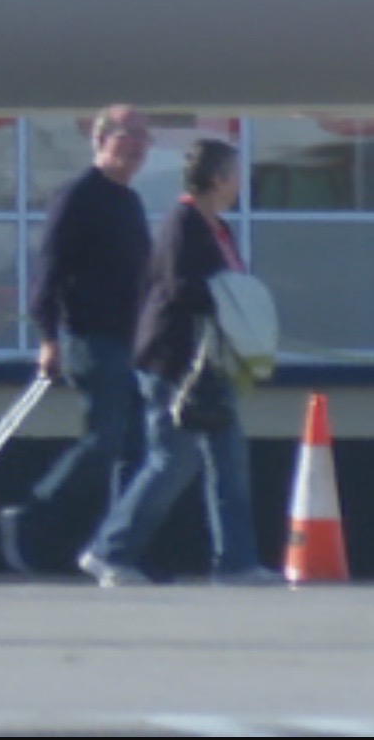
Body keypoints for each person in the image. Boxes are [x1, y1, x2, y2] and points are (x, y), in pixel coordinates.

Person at [80, 137, 274, 587]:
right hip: (174, 363)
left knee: (229, 462)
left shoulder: (216, 228)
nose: (240, 183)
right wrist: (227, 300)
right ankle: (109, 552)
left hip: (212, 363)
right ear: (218, 178)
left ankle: (237, 563)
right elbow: (178, 288)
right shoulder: (182, 224)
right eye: (235, 174)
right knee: (172, 460)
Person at [0, 104, 154, 575]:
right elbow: (49, 272)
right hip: (90, 337)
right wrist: (49, 338)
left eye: (144, 138)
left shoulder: (129, 202)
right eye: (127, 136)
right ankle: (31, 515)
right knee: (102, 441)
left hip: (133, 343)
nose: (137, 147)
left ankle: (118, 550)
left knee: (138, 448)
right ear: (101, 139)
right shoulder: (78, 196)